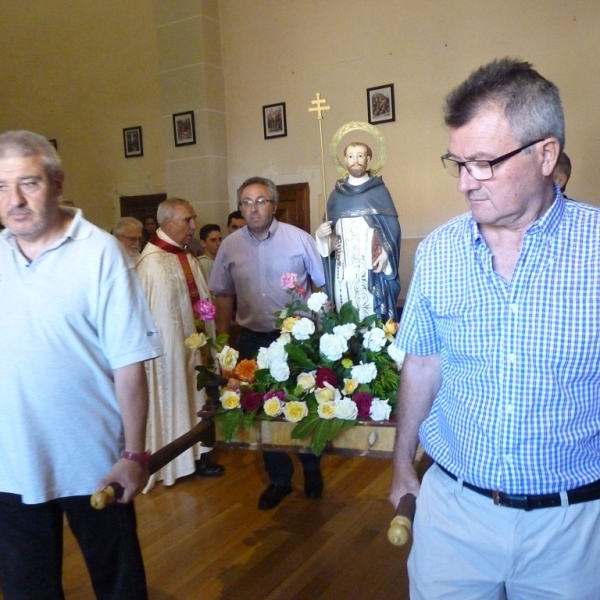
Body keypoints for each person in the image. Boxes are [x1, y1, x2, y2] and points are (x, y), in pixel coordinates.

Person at [389, 58, 600, 599]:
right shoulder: (438, 252)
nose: (464, 183)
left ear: (545, 155)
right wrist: (400, 464)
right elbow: (423, 364)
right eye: (456, 163)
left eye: (483, 163)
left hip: (572, 527)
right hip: (452, 512)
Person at [0, 130, 163, 599]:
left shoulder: (100, 254)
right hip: (13, 463)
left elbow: (130, 366)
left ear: (55, 182)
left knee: (119, 585)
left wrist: (134, 456)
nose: (15, 201)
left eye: (28, 183)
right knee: (27, 589)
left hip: (94, 461)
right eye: (3, 187)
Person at [210, 177, 326, 510]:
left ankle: (312, 469)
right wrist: (222, 345)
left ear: (274, 205)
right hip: (252, 339)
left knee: (301, 405)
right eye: (246, 202)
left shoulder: (299, 240)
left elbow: (321, 287)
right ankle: (279, 479)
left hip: (294, 340)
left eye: (260, 201)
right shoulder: (230, 246)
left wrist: (319, 334)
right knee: (260, 410)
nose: (253, 208)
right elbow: (224, 295)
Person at [137, 198, 225, 491]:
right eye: (187, 220)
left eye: (193, 219)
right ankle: (176, 458)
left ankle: (201, 453)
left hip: (195, 348)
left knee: (198, 396)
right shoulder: (151, 264)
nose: (193, 226)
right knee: (178, 395)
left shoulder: (186, 256)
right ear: (167, 222)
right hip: (169, 355)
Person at [316, 141, 401, 322]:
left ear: (368, 159)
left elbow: (392, 228)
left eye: (360, 155)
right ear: (345, 161)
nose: (356, 160)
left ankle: (373, 346)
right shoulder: (336, 195)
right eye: (351, 156)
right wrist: (322, 235)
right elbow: (329, 236)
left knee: (370, 312)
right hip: (344, 268)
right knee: (345, 310)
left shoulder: (379, 191)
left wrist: (386, 254)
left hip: (369, 267)